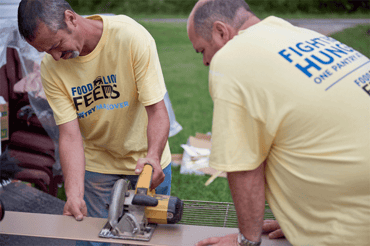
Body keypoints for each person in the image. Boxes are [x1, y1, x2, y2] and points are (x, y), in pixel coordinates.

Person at [187, 0, 370, 245]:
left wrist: (246, 240)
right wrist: (297, 219)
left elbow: (243, 165)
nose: (205, 62)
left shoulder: (232, 57)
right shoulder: (296, 33)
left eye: (202, 51)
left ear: (221, 31)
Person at [18, 0, 173, 245]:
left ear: (71, 18)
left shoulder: (130, 37)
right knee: (93, 239)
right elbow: (70, 134)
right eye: (46, 52)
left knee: (150, 237)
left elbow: (156, 110)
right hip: (97, 165)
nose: (56, 57)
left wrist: (153, 156)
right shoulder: (51, 68)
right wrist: (74, 194)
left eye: (57, 45)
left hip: (146, 161)